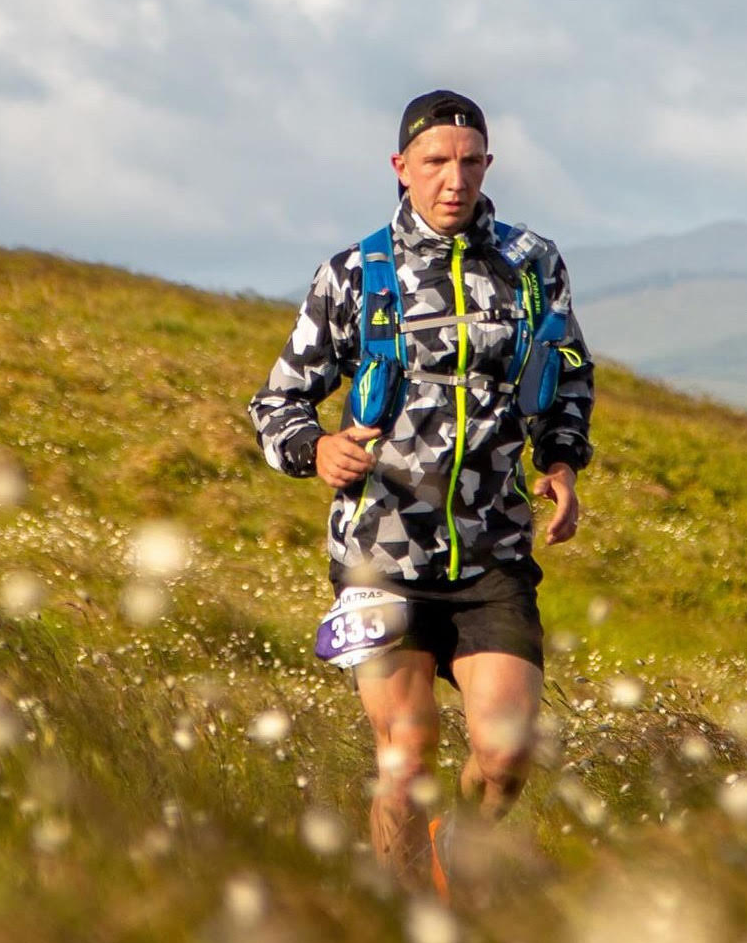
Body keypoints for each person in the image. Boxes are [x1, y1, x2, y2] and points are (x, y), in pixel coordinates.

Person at [249, 89, 594, 895]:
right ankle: (400, 924)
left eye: (470, 162)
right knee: (404, 757)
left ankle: (453, 855)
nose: (454, 179)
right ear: (400, 168)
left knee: (506, 753)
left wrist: (563, 463)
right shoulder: (353, 275)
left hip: (494, 552)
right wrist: (318, 449)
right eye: (436, 162)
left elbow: (569, 375)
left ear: (489, 167)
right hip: (378, 555)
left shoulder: (534, 264)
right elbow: (277, 405)